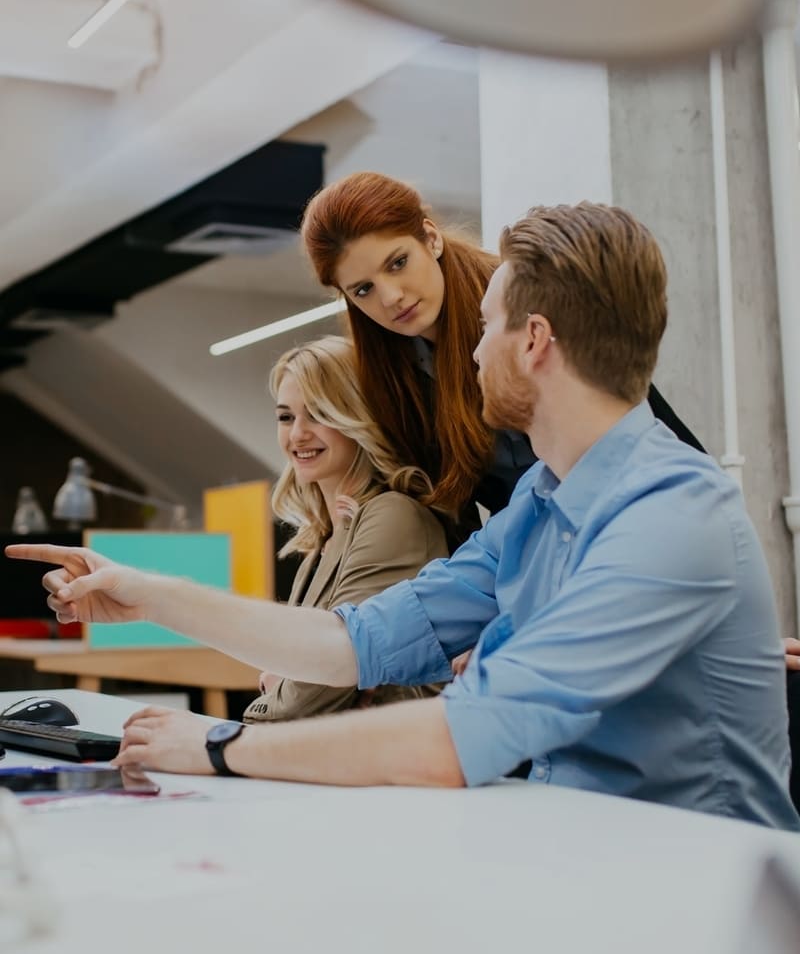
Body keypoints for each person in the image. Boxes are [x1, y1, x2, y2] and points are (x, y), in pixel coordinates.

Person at [8, 202, 798, 829]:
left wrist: (218, 744)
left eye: (486, 327)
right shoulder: (537, 503)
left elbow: (458, 740)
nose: (472, 351)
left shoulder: (669, 514)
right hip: (574, 850)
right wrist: (151, 593)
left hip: (690, 893)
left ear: (534, 342)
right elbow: (358, 640)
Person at [301, 171, 704, 543]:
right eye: (363, 290)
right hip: (530, 559)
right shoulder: (394, 376)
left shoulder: (525, 302)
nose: (391, 297)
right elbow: (455, 518)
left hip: (634, 527)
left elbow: (644, 427)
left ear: (431, 238)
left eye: (398, 263)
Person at [240, 335, 446, 723]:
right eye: (286, 417)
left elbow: (307, 695)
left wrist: (280, 682)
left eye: (318, 413)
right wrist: (286, 678)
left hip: (394, 764)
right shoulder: (323, 539)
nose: (297, 434)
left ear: (358, 417)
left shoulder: (393, 516)